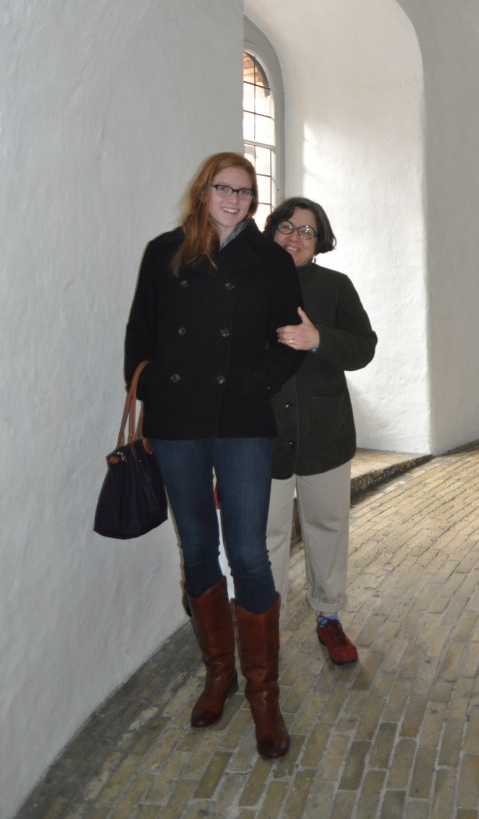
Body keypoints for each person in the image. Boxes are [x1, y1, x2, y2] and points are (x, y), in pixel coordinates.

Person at [124, 152, 304, 760]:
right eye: (223, 188)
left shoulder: (270, 260)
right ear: (203, 191)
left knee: (249, 552)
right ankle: (219, 673)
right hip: (178, 422)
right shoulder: (164, 252)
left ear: (254, 201)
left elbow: (291, 339)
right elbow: (141, 335)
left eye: (245, 192)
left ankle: (264, 694)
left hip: (243, 422)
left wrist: (256, 382)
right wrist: (154, 389)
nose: (233, 199)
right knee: (197, 546)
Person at [263, 197, 377, 664]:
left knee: (327, 526)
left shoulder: (336, 287)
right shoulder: (248, 284)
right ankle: (265, 627)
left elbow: (364, 347)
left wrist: (318, 340)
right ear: (272, 230)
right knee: (265, 535)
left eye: (307, 231)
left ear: (320, 241)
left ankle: (329, 616)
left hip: (325, 434)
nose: (295, 237)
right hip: (261, 438)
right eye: (287, 227)